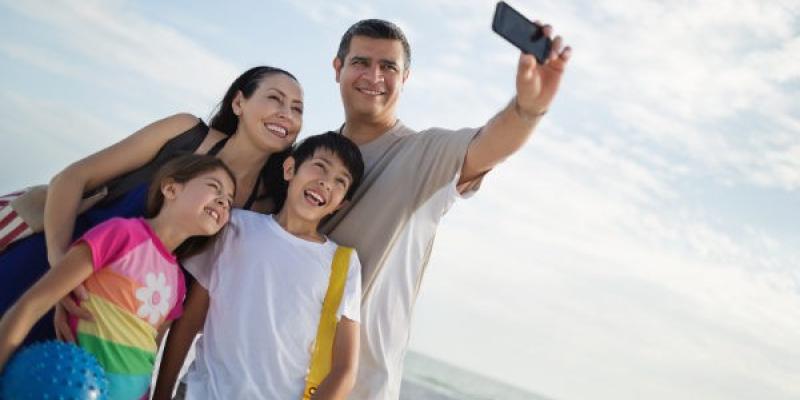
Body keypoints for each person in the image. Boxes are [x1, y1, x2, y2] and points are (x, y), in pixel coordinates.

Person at [315, 19, 572, 399]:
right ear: (338, 68)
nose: (374, 76)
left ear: (405, 78)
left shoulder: (425, 154)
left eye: (389, 67)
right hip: (276, 377)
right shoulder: (310, 161)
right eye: (360, 62)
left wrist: (528, 110)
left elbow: (489, 145)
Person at [0, 66, 304, 346]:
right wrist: (60, 269)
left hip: (111, 332)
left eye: (297, 109)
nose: (286, 114)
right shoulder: (185, 134)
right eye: (275, 99)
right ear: (239, 103)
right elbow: (71, 178)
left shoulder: (265, 209)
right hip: (45, 268)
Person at [0, 154, 237, 400]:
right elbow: (31, 305)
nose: (222, 202)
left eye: (229, 202)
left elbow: (148, 355)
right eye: (214, 188)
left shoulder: (177, 282)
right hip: (70, 389)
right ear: (170, 188)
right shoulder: (121, 234)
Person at [152, 132, 365, 400]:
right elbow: (188, 321)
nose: (325, 182)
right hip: (200, 392)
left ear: (341, 204)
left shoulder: (344, 263)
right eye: (320, 166)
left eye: (340, 181)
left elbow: (345, 369)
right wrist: (161, 393)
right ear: (290, 169)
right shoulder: (235, 227)